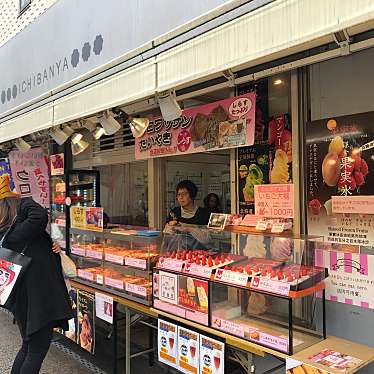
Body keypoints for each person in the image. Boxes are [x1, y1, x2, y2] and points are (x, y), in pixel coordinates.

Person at [0, 175, 73, 374]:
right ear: (11, 204)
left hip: (22, 300)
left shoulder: (11, 232)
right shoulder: (18, 230)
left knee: (28, 347)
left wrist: (51, 247)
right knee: (36, 351)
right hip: (37, 300)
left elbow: (36, 241)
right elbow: (40, 215)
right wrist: (23, 198)